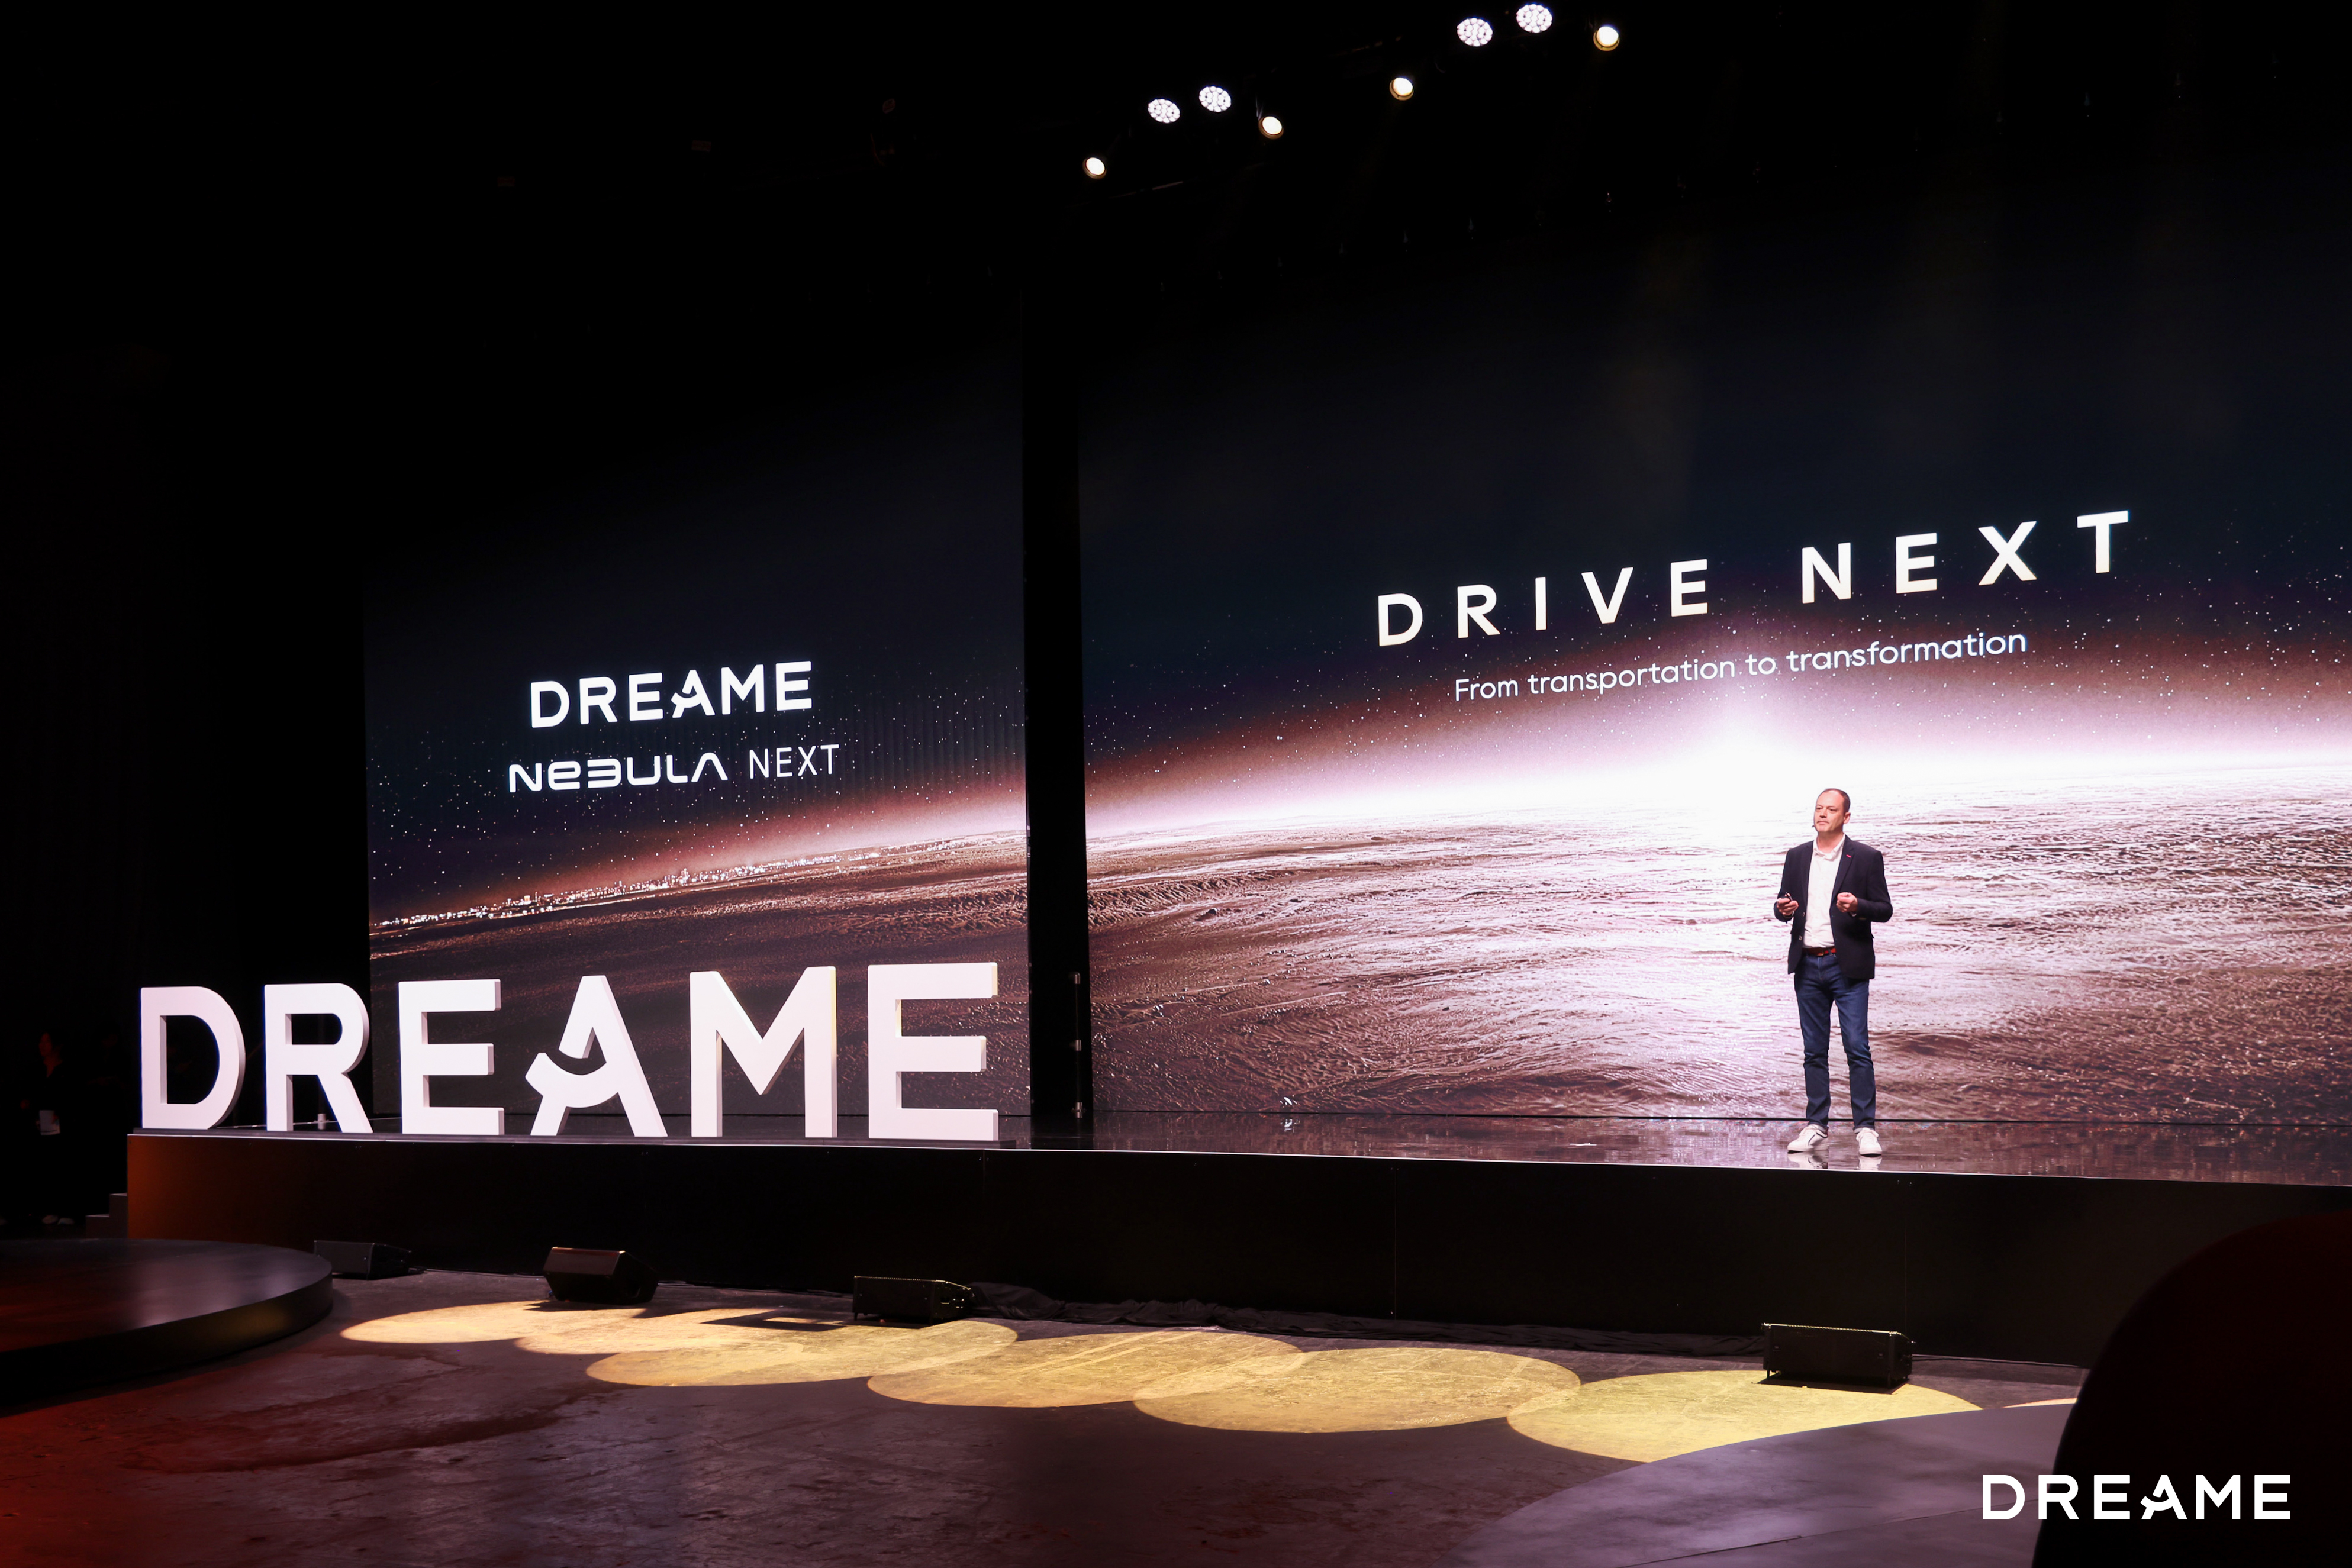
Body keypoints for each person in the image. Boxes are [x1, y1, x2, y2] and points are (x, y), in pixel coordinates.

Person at [1771, 789, 1893, 1156]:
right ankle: (1816, 1125)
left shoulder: (1866, 857)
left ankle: (1866, 1129)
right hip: (1808, 964)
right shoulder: (1796, 856)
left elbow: (1884, 909)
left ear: (1846, 817)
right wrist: (1782, 910)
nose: (1823, 814)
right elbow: (1782, 906)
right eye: (1819, 809)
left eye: (1831, 810)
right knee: (1814, 1051)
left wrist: (1857, 906)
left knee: (1857, 1048)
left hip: (1847, 965)